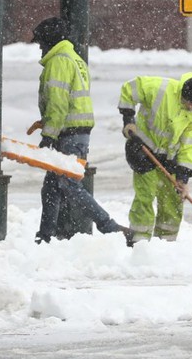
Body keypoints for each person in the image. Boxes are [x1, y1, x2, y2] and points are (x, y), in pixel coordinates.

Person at [28, 16, 133, 245]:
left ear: (49, 41)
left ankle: (110, 227)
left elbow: (58, 102)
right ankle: (44, 237)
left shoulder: (59, 62)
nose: (39, 47)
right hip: (76, 132)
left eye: (41, 43)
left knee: (68, 184)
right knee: (52, 188)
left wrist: (49, 135)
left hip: (69, 134)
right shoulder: (74, 59)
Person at [118, 73, 192, 244]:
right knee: (145, 196)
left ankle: (166, 243)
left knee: (172, 201)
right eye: (190, 103)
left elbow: (190, 144)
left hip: (169, 157)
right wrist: (128, 120)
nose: (191, 108)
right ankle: (139, 241)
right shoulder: (159, 87)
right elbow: (129, 89)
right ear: (184, 94)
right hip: (142, 149)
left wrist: (183, 176)